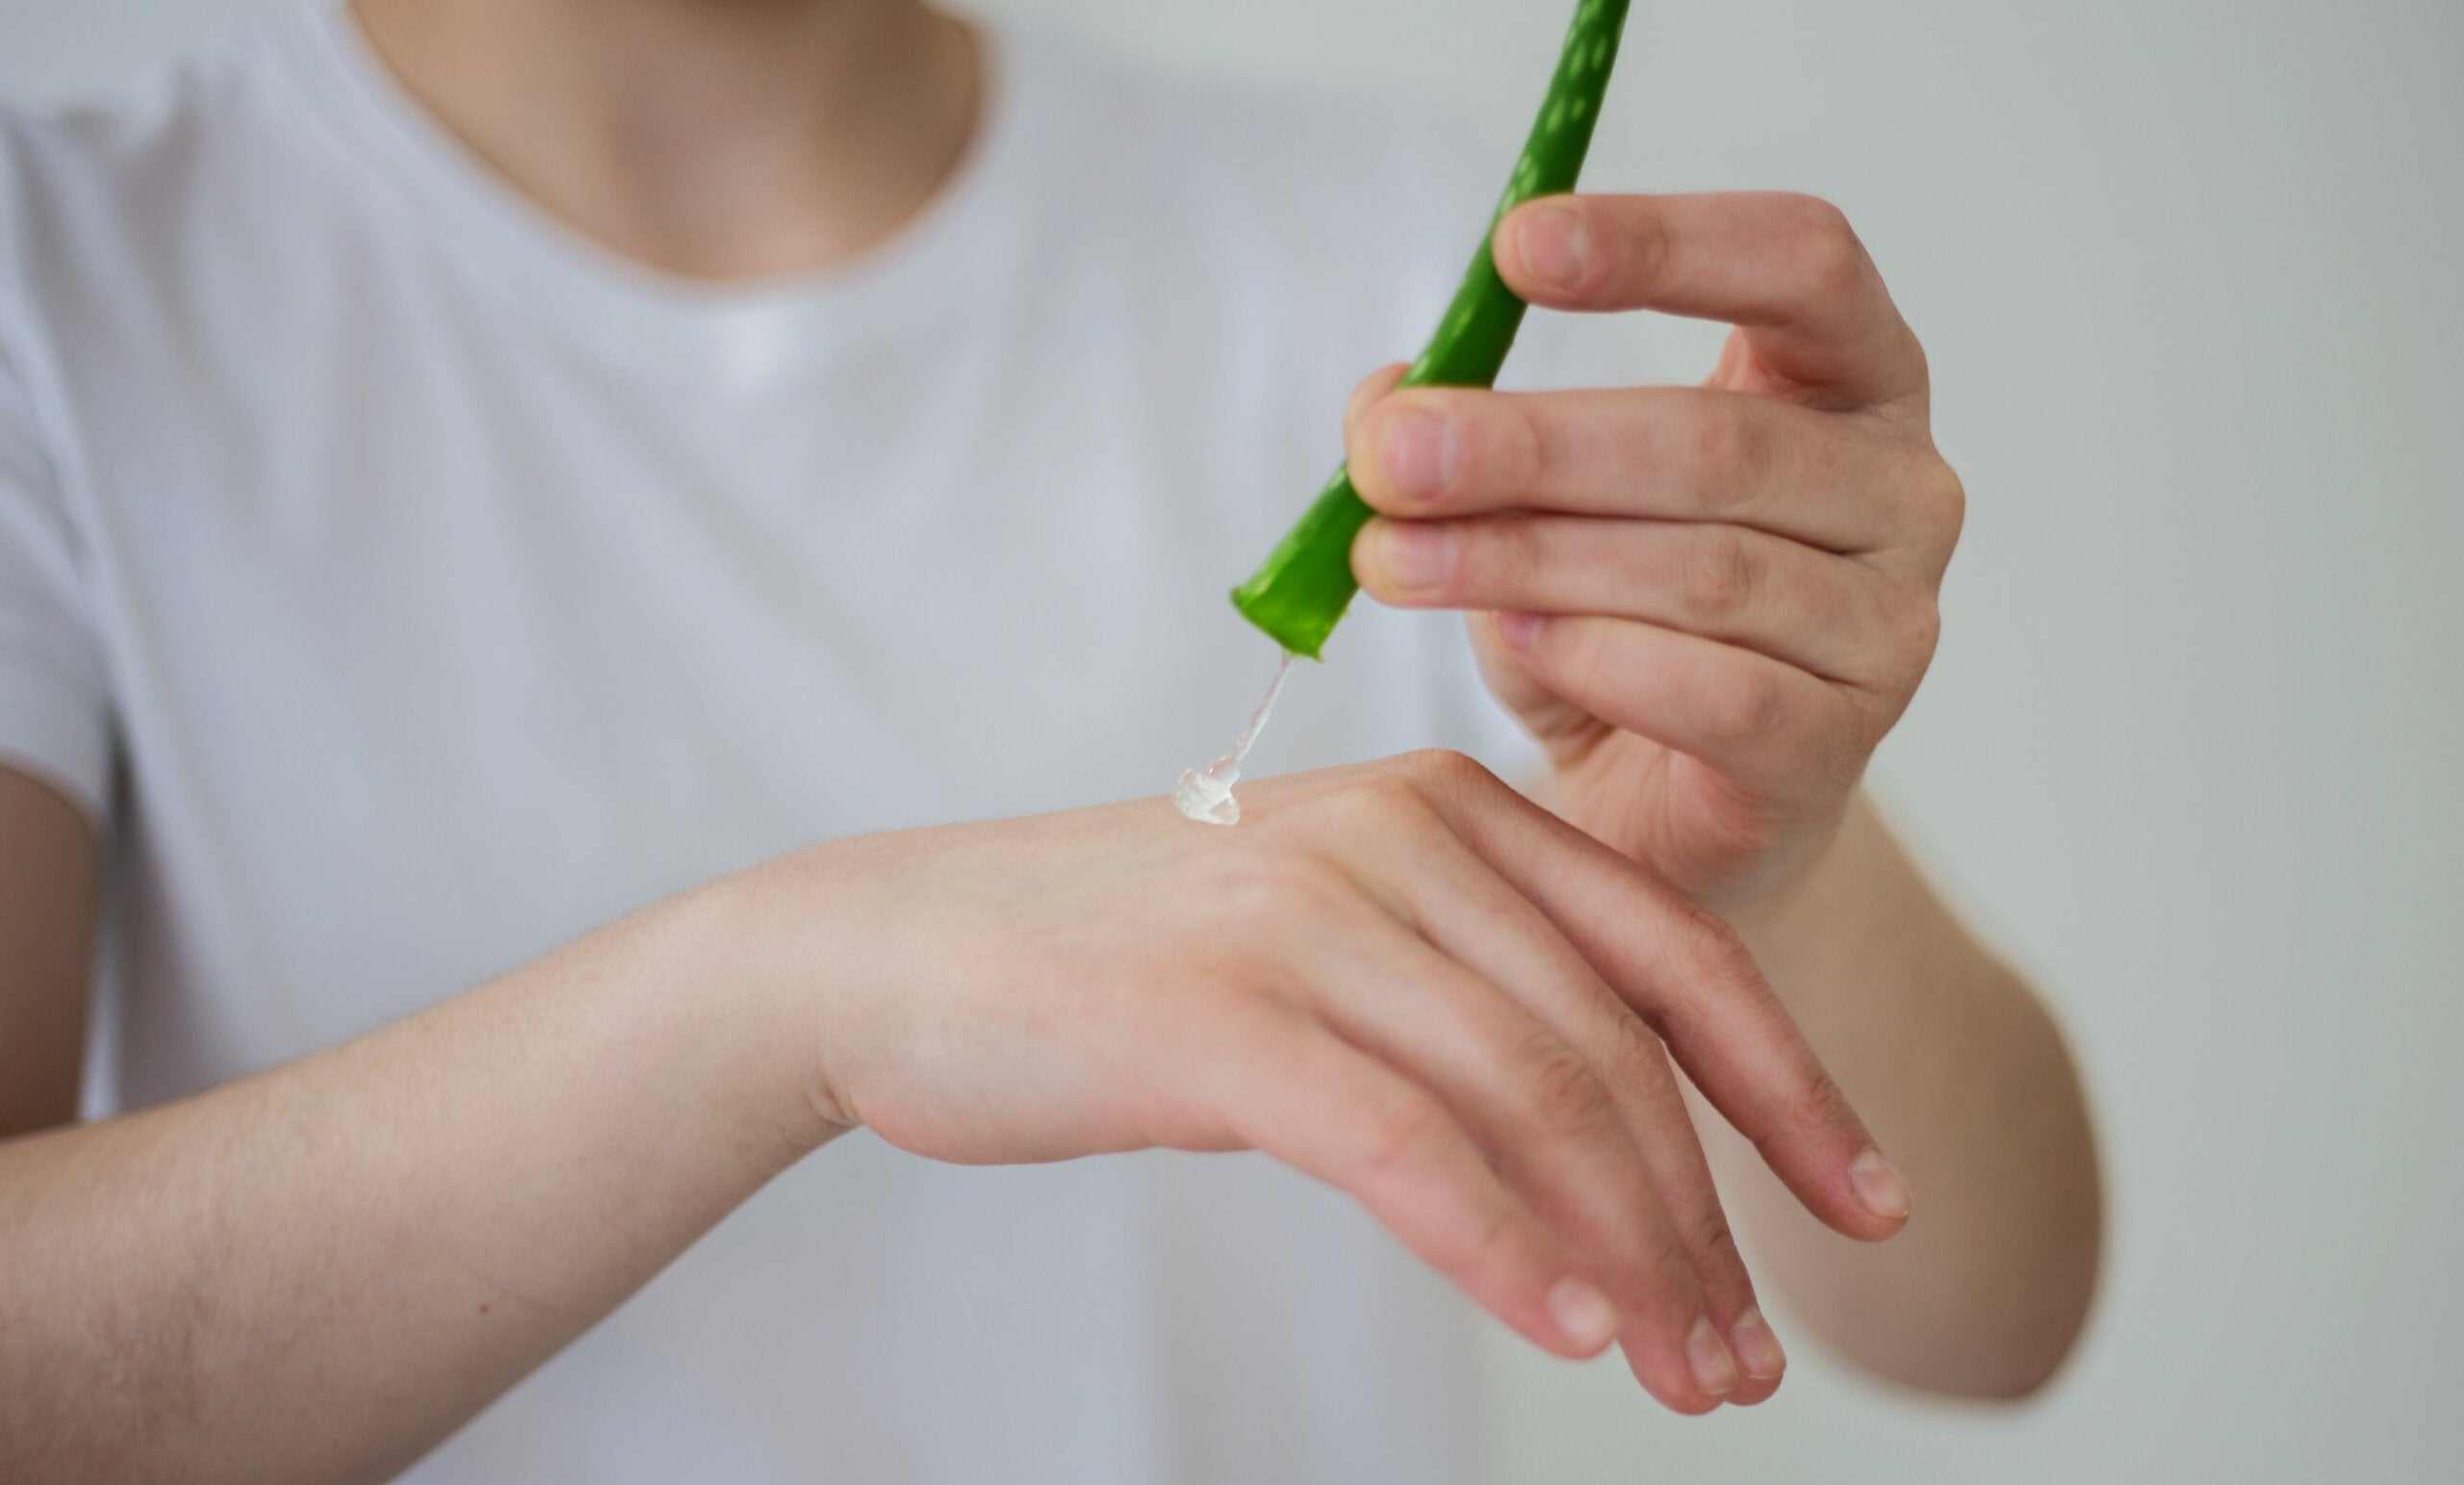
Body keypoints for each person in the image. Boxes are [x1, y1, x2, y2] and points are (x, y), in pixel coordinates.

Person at [0, 0, 2102, 1479]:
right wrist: (810, 989)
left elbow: (1996, 1309)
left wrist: (1769, 875)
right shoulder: (60, 287)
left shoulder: (1377, 255)